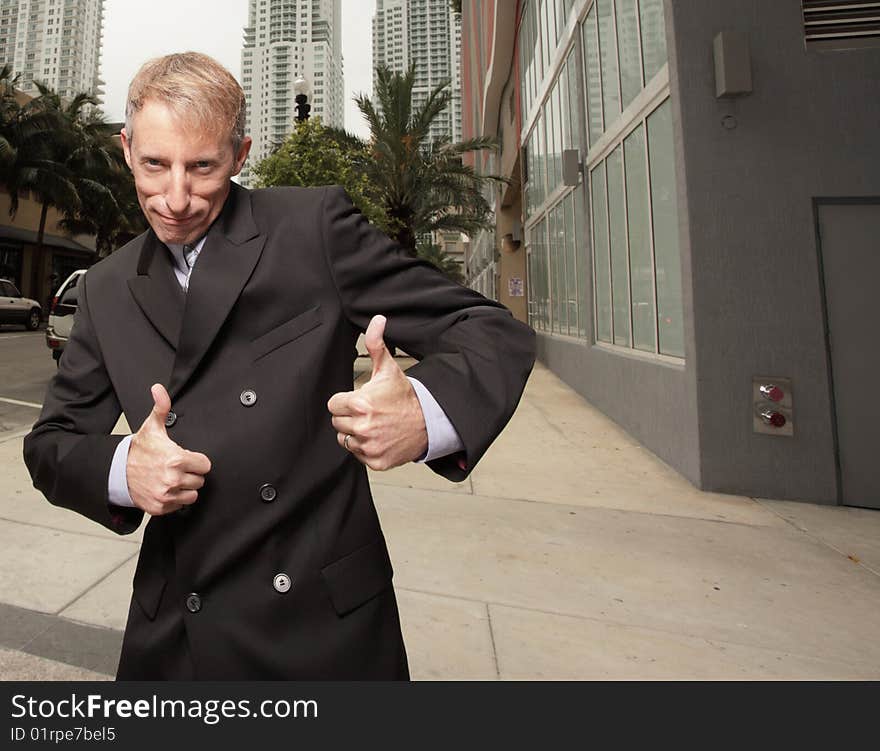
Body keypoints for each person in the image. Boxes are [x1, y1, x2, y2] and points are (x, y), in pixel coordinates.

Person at [23, 52, 535, 680]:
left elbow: (490, 330)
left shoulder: (313, 229)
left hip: (320, 627)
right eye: (155, 164)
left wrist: (426, 414)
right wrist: (122, 468)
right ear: (126, 149)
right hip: (178, 636)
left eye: (203, 166)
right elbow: (50, 445)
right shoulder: (105, 287)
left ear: (241, 155)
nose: (175, 198)